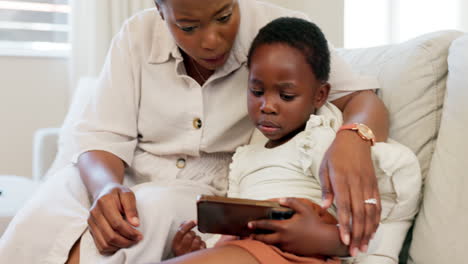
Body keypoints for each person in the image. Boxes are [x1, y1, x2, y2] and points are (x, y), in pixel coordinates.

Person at [0, 0, 388, 263]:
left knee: (140, 218)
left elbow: (362, 98)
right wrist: (105, 188)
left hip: (205, 191)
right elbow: (103, 136)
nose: (211, 40)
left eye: (223, 16)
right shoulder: (136, 36)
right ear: (160, 11)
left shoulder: (279, 33)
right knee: (42, 212)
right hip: (125, 171)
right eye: (188, 25)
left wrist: (355, 136)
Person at [163, 17, 421, 264]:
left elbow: (375, 221)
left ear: (320, 95)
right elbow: (232, 227)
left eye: (286, 95)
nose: (267, 106)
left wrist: (319, 237)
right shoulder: (245, 156)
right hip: (244, 248)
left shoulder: (321, 139)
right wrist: (199, 249)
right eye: (257, 92)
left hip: (299, 255)